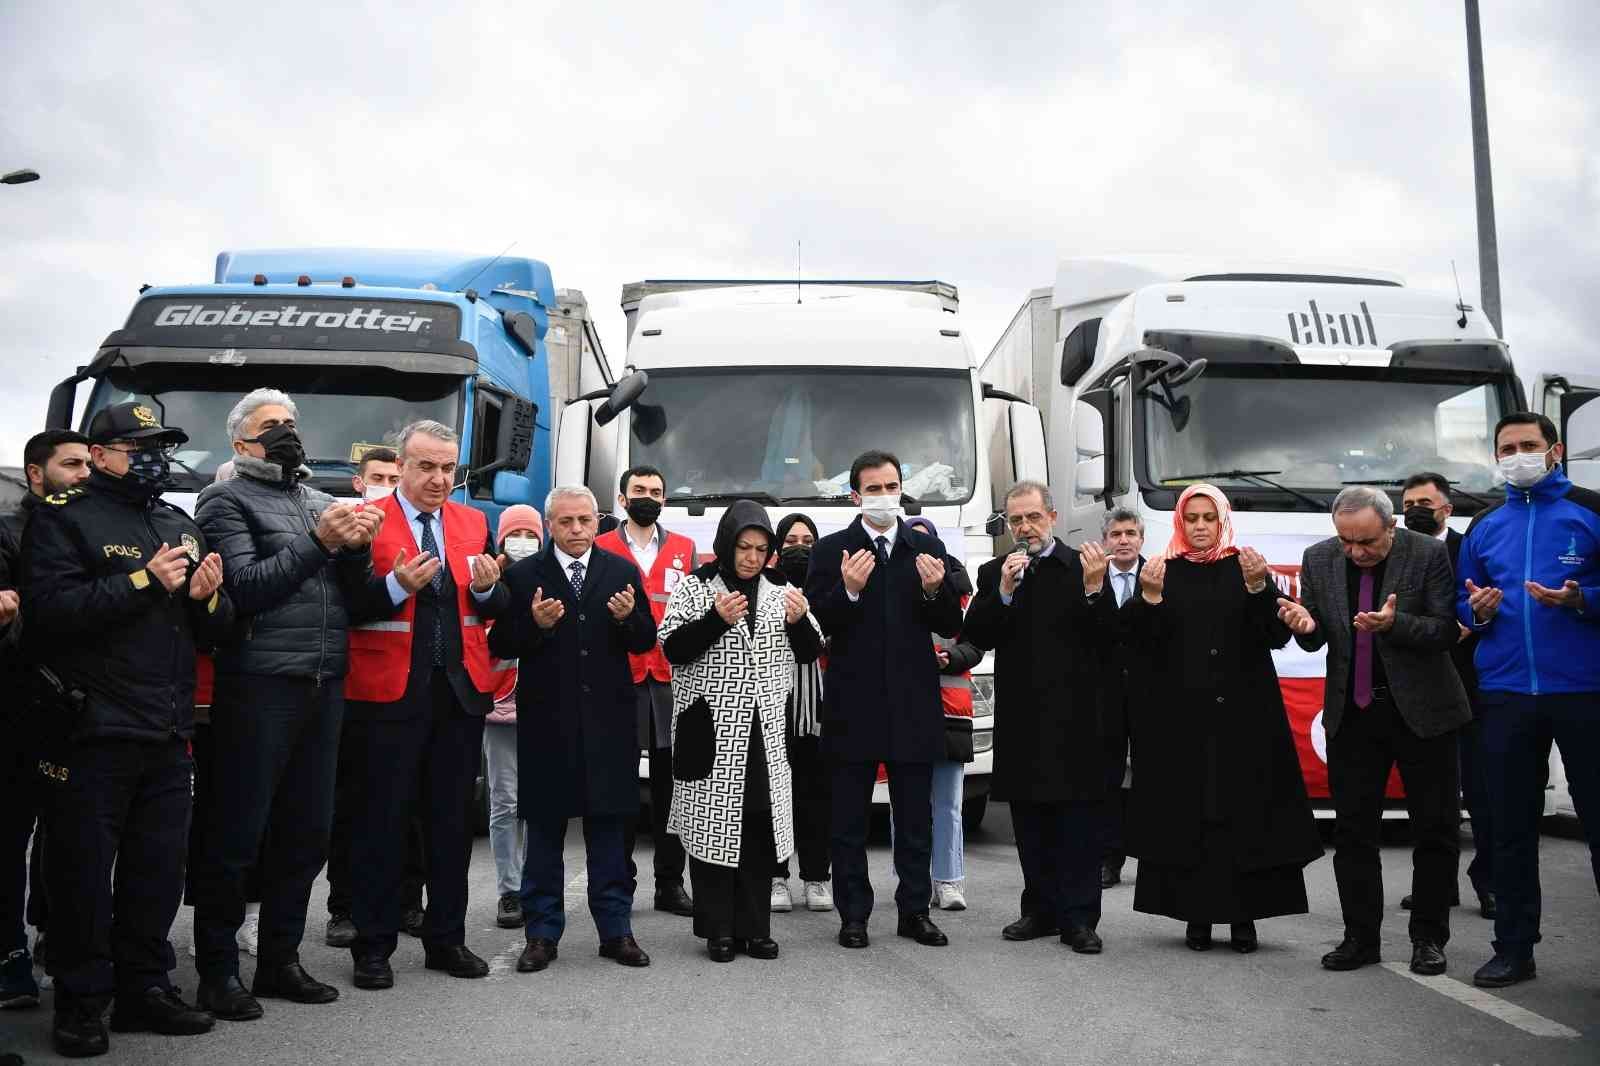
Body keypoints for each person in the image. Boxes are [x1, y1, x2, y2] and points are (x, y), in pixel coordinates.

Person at [21, 402, 232, 1055]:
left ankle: (145, 989)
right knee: (82, 874)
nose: (152, 457)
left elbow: (214, 632)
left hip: (166, 730)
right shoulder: (64, 519)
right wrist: (143, 580)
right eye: (138, 445)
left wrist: (209, 600)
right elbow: (50, 613)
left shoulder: (177, 520)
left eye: (160, 445)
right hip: (93, 729)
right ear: (102, 452)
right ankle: (82, 1000)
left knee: (157, 871)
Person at [191, 388, 382, 1019]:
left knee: (305, 833)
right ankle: (218, 971)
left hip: (324, 681)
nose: (288, 433)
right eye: (272, 425)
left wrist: (357, 548)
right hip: (260, 683)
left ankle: (280, 960)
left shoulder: (319, 500)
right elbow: (243, 590)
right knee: (237, 833)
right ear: (242, 442)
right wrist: (323, 544)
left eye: (292, 423)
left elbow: (351, 600)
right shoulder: (223, 499)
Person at [340, 419, 509, 990]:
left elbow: (491, 606)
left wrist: (489, 589)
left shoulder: (472, 521)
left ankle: (446, 939)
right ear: (402, 467)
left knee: (451, 826)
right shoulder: (367, 519)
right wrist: (396, 587)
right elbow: (346, 603)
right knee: (381, 825)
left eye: (448, 469)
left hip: (457, 696)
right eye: (427, 467)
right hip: (385, 695)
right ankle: (373, 946)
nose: (439, 479)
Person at [1278, 486, 1469, 976]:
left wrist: (1394, 624)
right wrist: (1304, 625)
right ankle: (1359, 938)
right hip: (1353, 714)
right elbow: (1320, 631)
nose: (1355, 552)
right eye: (1346, 541)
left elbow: (1446, 629)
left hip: (1423, 713)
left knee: (1436, 830)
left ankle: (1428, 938)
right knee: (1354, 834)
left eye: (1366, 542)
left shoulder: (1426, 553)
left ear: (1391, 527)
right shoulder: (1318, 558)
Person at [1125, 483, 1322, 954]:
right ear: (1179, 522)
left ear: (1222, 521)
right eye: (1190, 518)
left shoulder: (1247, 569)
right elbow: (1139, 646)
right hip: (1181, 722)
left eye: (1207, 519)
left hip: (1246, 720)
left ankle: (1244, 919)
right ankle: (1195, 916)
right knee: (1190, 817)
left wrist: (1259, 590)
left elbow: (1275, 635)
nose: (1198, 527)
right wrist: (1149, 599)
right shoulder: (1161, 572)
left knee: (1244, 817)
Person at [1454, 412, 1599, 989]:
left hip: (1585, 691)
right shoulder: (1485, 526)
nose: (1517, 455)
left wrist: (1581, 598)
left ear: (1554, 451)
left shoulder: (1590, 511)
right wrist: (1478, 612)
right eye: (1507, 448)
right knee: (1510, 828)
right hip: (1507, 693)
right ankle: (1514, 947)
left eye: (1528, 446)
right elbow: (1463, 606)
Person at [488, 486, 658, 973]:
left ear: (597, 520)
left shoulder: (621, 571)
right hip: (548, 723)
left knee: (609, 829)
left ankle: (616, 930)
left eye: (585, 520)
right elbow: (500, 642)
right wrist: (534, 624)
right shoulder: (523, 576)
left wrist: (629, 620)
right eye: (567, 522)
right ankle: (541, 933)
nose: (578, 530)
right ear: (550, 525)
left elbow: (646, 639)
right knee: (544, 831)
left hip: (608, 722)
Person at [805, 450, 963, 950]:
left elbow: (951, 627)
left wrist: (936, 591)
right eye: (873, 488)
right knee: (848, 819)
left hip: (913, 705)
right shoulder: (833, 549)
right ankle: (854, 915)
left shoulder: (923, 546)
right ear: (854, 495)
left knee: (915, 817)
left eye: (891, 485)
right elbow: (816, 624)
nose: (883, 496)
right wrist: (848, 591)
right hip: (853, 705)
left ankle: (915, 912)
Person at [659, 501, 823, 961]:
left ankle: (755, 927)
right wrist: (716, 620)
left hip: (766, 733)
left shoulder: (783, 590)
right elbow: (672, 648)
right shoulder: (695, 588)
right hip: (710, 728)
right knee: (713, 828)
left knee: (758, 828)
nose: (751, 557)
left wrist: (797, 621)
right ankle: (718, 929)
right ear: (726, 544)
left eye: (760, 548)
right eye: (743, 547)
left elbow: (811, 651)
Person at [962, 481, 1113, 952]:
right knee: (1030, 823)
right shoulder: (996, 571)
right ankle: (1040, 910)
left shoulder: (1081, 565)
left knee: (1077, 825)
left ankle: (1080, 919)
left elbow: (1110, 639)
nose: (1024, 527)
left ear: (1051, 515)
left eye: (1032, 517)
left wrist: (1094, 590)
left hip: (1075, 718)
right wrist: (1004, 591)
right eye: (1015, 520)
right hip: (1023, 717)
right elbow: (978, 636)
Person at [1, 430, 89, 1011]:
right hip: (17, 705)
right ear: (37, 473)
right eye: (71, 463)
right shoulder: (13, 529)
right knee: (12, 836)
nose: (84, 472)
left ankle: (58, 941)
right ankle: (10, 956)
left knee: (71, 835)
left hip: (82, 707)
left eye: (89, 461)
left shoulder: (99, 525)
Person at [326, 443, 426, 949]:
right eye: (381, 476)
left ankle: (408, 902)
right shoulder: (357, 527)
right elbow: (348, 602)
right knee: (358, 809)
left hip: (416, 689)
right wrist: (396, 585)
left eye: (393, 474)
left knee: (410, 811)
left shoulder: (435, 526)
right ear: (359, 483)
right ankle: (344, 907)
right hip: (362, 687)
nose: (389, 483)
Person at [595, 464, 697, 917]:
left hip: (671, 681)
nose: (648, 497)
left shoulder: (685, 549)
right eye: (639, 490)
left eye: (656, 491)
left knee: (671, 790)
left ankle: (670, 883)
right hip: (619, 679)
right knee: (619, 786)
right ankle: (620, 880)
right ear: (622, 498)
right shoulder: (600, 547)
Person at [1401, 472, 1490, 917]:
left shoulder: (1466, 549)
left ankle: (1489, 882)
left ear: (1447, 510)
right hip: (1420, 692)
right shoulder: (1395, 550)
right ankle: (1437, 886)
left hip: (1470, 686)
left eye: (1425, 502)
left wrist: (1465, 624)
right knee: (1432, 804)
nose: (1416, 508)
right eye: (1409, 501)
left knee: (1483, 792)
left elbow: (1481, 603)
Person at [904, 515, 980, 911]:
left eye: (925, 542)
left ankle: (949, 881)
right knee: (907, 801)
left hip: (950, 708)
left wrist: (950, 658)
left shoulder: (960, 592)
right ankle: (911, 878)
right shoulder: (894, 586)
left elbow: (976, 644)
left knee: (948, 802)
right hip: (905, 708)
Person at [767, 513, 833, 914]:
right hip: (775, 703)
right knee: (775, 795)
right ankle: (776, 877)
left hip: (820, 707)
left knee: (815, 796)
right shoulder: (765, 584)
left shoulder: (830, 584)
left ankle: (817, 877)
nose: (800, 546)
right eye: (790, 539)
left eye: (808, 539)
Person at [486, 504, 543, 929]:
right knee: (505, 801)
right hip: (500, 709)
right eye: (515, 533)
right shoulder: (489, 581)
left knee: (539, 801)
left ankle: (537, 885)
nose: (522, 540)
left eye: (530, 533)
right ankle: (510, 890)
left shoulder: (549, 577)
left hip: (544, 706)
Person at [1099, 507, 1145, 889]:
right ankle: (1108, 860)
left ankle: (1153, 857)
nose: (1124, 540)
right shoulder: (1092, 580)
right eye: (1116, 534)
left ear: (1141, 539)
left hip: (1152, 697)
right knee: (1108, 781)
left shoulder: (1162, 576)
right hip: (1104, 698)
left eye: (1131, 533)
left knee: (1153, 779)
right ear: (1105, 542)